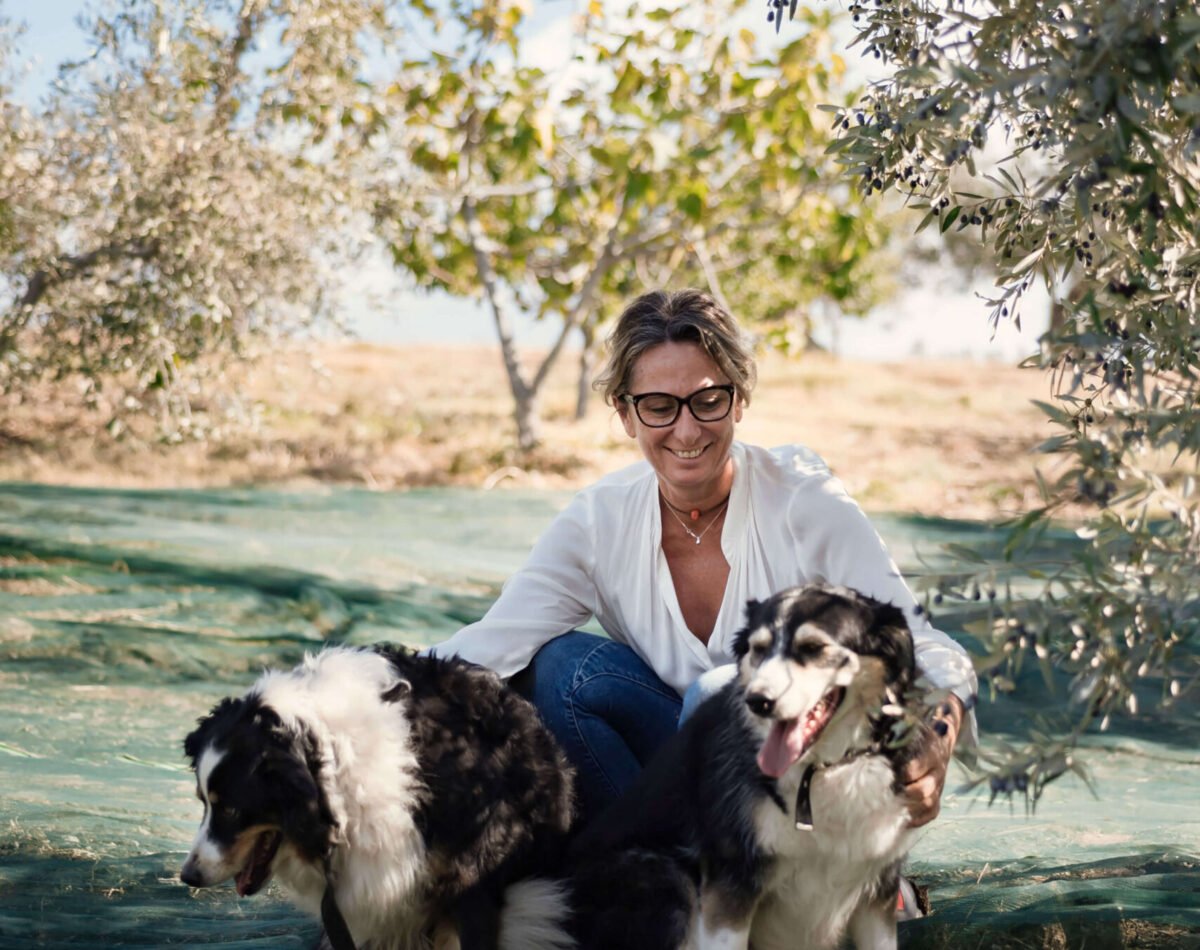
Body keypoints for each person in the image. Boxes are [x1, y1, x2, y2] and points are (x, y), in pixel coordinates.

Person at [432, 288, 977, 827]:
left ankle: (758, 881)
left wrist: (935, 739)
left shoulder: (805, 502)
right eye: (659, 407)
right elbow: (492, 641)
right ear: (626, 414)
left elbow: (924, 643)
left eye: (708, 400)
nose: (687, 430)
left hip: (798, 774)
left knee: (720, 695)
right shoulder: (598, 521)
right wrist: (369, 689)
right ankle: (648, 870)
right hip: (675, 763)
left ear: (738, 399)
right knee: (560, 670)